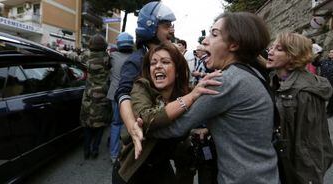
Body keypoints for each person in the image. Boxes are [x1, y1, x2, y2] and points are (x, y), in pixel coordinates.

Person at [132, 12, 280, 184]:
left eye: (214, 34)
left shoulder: (225, 81)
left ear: (234, 44)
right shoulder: (251, 72)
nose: (205, 41)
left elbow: (177, 127)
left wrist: (137, 128)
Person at [112, 2, 181, 183]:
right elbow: (123, 94)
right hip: (138, 162)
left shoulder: (172, 57)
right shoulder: (136, 61)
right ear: (151, 27)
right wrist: (132, 127)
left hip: (161, 159)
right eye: (166, 26)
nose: (171, 31)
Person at [266, 32, 333, 184]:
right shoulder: (277, 80)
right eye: (272, 47)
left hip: (301, 172)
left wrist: (308, 179)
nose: (270, 51)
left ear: (292, 56)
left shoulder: (304, 92)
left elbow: (310, 142)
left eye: (279, 49)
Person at [80, 34, 112, 159]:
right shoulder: (107, 58)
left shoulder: (86, 56)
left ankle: (86, 150)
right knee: (100, 125)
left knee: (87, 124)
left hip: (88, 95)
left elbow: (73, 57)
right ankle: (95, 150)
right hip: (102, 95)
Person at [107, 32, 134, 163]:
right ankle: (128, 153)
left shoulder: (112, 56)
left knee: (116, 124)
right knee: (131, 124)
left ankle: (113, 155)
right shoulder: (136, 57)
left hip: (115, 95)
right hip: (130, 95)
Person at [316, 49, 333, 116]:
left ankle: (329, 111)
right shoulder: (324, 61)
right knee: (321, 96)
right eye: (330, 52)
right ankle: (320, 110)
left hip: (332, 82)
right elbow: (315, 63)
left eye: (332, 52)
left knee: (331, 98)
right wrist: (318, 54)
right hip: (323, 82)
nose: (330, 53)